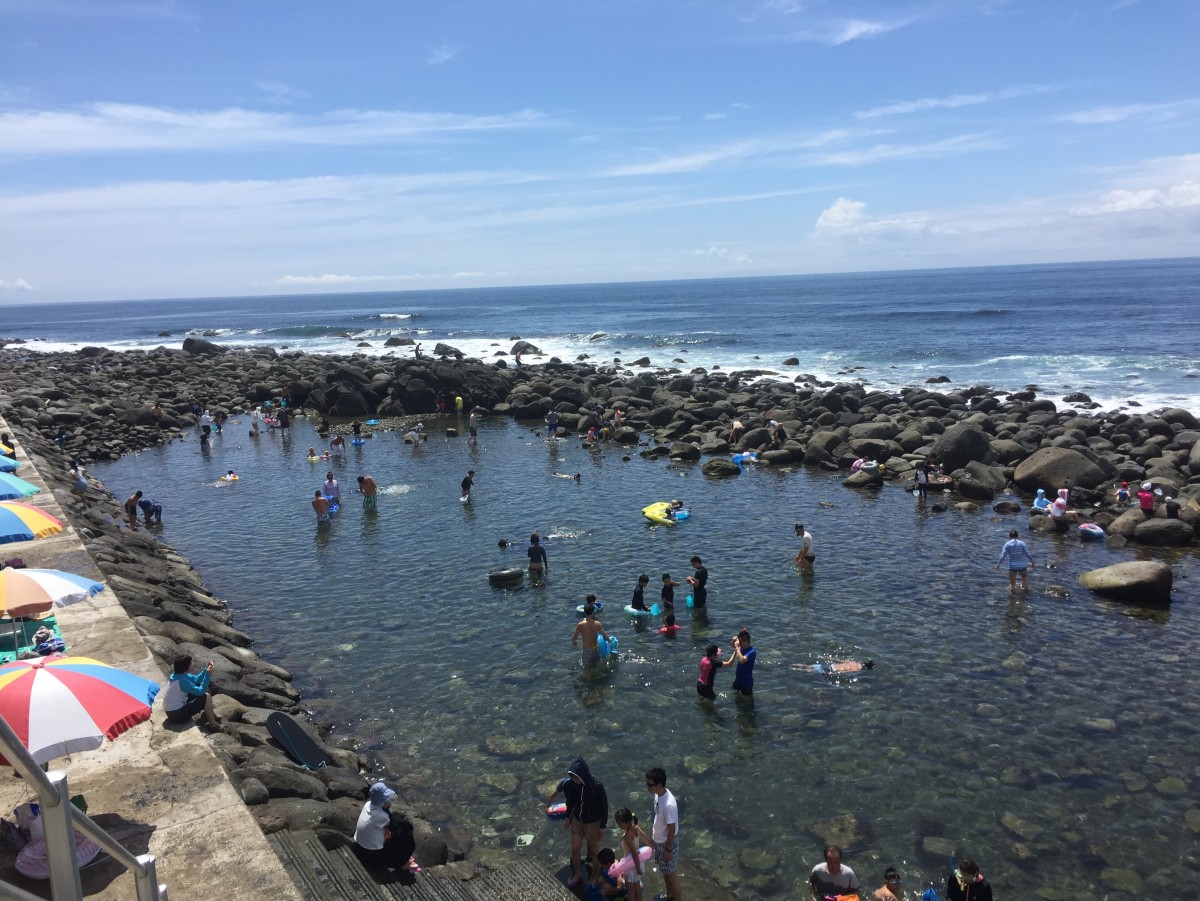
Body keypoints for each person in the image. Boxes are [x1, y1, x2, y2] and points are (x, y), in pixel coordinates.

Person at [546, 757, 609, 890]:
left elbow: (604, 807)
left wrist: (602, 826)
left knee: (593, 851)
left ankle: (594, 875)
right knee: (575, 849)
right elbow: (571, 802)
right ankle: (577, 874)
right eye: (572, 777)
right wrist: (568, 818)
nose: (573, 780)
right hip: (577, 820)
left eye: (575, 777)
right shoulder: (573, 785)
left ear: (583, 776)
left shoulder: (596, 786)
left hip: (593, 822)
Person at [352, 782, 419, 872]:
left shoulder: (368, 804)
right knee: (406, 836)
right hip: (371, 858)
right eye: (386, 799)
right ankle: (404, 862)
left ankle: (402, 856)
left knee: (400, 831)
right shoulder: (380, 816)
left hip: (360, 848)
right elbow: (395, 825)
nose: (389, 800)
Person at [640, 767, 680, 901]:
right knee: (665, 872)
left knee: (672, 875)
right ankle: (669, 897)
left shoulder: (669, 804)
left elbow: (672, 829)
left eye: (649, 784)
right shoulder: (658, 795)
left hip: (667, 844)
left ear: (659, 785)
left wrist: (668, 850)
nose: (647, 787)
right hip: (659, 842)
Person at [163, 654, 220, 728]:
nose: (193, 663)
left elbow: (196, 680)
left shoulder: (178, 674)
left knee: (204, 695)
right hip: (176, 715)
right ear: (184, 668)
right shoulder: (181, 680)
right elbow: (200, 692)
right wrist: (208, 675)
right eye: (190, 663)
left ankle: (209, 713)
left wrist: (206, 670)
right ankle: (213, 725)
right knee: (206, 696)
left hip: (171, 711)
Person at [613, 807, 644, 901]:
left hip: (630, 865)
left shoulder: (627, 836)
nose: (618, 825)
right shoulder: (636, 828)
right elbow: (647, 841)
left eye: (619, 823)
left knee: (630, 890)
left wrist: (637, 868)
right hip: (638, 861)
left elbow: (633, 853)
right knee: (637, 887)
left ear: (626, 822)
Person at [572, 601, 609, 668]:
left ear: (585, 612)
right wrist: (610, 642)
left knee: (586, 668)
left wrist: (574, 642)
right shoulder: (598, 623)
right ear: (593, 612)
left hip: (586, 650)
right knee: (596, 667)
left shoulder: (581, 624)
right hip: (595, 649)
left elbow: (574, 638)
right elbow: (605, 636)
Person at [730, 628, 756, 697]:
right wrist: (734, 640)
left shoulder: (751, 651)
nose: (739, 644)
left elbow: (742, 660)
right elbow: (733, 645)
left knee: (747, 703)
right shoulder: (741, 647)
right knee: (736, 697)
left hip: (746, 683)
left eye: (740, 642)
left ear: (746, 642)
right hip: (738, 680)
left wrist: (738, 647)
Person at [792, 658, 875, 676]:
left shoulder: (854, 662)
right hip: (832, 669)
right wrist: (832, 673)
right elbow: (844, 672)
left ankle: (792, 665)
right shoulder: (857, 669)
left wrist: (830, 658)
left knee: (808, 666)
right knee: (809, 670)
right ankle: (793, 669)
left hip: (830, 665)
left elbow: (840, 661)